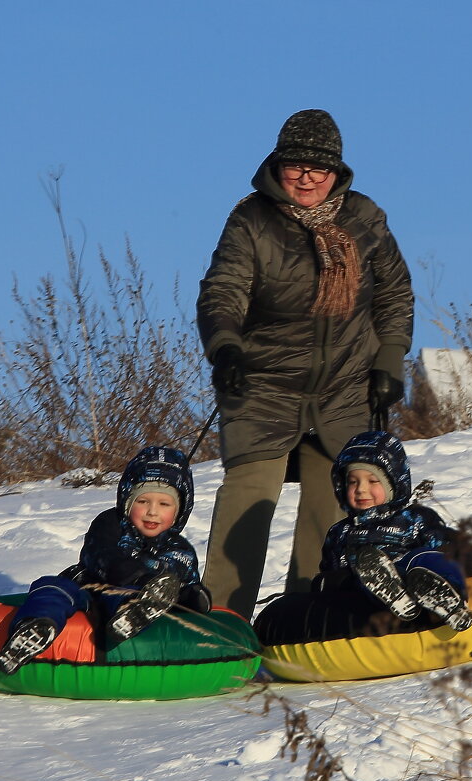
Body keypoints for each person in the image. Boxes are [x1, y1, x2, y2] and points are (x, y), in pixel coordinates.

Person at [197, 108, 414, 619]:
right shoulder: (251, 220)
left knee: (336, 503)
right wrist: (225, 346)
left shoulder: (364, 218)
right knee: (248, 499)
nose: (308, 177)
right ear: (278, 167)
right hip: (263, 383)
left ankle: (310, 616)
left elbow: (394, 294)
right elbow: (223, 289)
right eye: (297, 166)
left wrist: (389, 362)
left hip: (344, 386)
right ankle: (221, 623)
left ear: (337, 172)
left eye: (320, 168)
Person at [0, 446, 212, 675]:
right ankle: (33, 628)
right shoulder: (110, 524)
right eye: (143, 501)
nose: (152, 512)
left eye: (164, 504)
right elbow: (100, 554)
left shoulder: (181, 550)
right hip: (86, 588)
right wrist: (139, 575)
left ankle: (132, 615)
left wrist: (193, 597)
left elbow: (182, 586)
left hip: (122, 599)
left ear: (179, 510)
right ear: (128, 501)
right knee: (51, 587)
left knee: (131, 595)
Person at [316, 430, 472, 632]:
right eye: (353, 481)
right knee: (364, 574)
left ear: (393, 484)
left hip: (415, 572)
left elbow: (449, 547)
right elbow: (328, 575)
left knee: (423, 558)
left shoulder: (415, 518)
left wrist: (464, 556)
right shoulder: (340, 533)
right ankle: (395, 594)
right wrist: (334, 581)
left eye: (372, 481)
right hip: (370, 592)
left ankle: (449, 599)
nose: (361, 489)